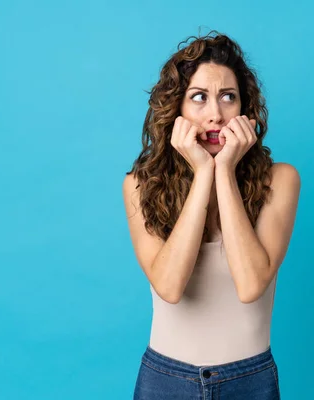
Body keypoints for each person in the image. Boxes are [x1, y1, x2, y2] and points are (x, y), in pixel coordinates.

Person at [123, 31, 300, 399]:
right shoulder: (139, 185)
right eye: (199, 98)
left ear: (244, 109)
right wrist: (204, 172)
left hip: (249, 381)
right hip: (165, 381)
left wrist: (225, 171)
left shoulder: (280, 180)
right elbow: (169, 287)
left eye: (228, 98)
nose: (215, 115)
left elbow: (252, 285)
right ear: (177, 109)